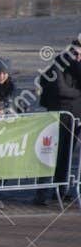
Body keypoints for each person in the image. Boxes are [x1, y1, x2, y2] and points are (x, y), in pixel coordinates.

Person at [37, 45, 81, 205]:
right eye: (75, 53)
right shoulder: (57, 66)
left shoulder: (76, 68)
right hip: (57, 117)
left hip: (73, 118)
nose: (78, 57)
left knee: (66, 156)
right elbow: (60, 90)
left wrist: (77, 65)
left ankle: (61, 191)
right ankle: (42, 193)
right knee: (49, 154)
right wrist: (78, 94)